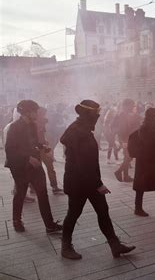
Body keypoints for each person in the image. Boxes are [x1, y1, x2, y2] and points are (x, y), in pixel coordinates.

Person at [61, 100, 135, 260]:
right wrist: (98, 185)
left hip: (89, 181)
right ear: (88, 115)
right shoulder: (78, 132)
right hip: (78, 183)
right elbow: (83, 165)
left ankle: (115, 245)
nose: (98, 117)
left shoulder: (83, 129)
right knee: (73, 214)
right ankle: (65, 247)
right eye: (95, 114)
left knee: (103, 211)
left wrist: (96, 183)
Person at [5, 100, 62, 233]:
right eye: (35, 111)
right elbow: (10, 150)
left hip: (35, 165)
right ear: (27, 112)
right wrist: (27, 158)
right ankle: (16, 221)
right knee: (20, 193)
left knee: (43, 193)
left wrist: (43, 147)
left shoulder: (32, 125)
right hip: (20, 167)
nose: (37, 113)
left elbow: (34, 143)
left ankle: (49, 225)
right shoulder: (14, 127)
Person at [36, 107, 63, 194]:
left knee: (50, 167)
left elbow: (43, 134)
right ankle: (35, 187)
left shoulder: (43, 122)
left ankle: (54, 186)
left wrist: (46, 142)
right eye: (43, 114)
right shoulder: (33, 124)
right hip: (37, 149)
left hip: (43, 147)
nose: (44, 115)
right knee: (38, 169)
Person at [113, 99, 140, 182]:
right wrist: (123, 141)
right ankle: (118, 171)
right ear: (126, 106)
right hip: (125, 139)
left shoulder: (126, 114)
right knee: (129, 157)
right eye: (132, 105)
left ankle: (126, 176)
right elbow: (121, 129)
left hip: (126, 139)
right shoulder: (122, 115)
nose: (133, 107)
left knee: (127, 157)